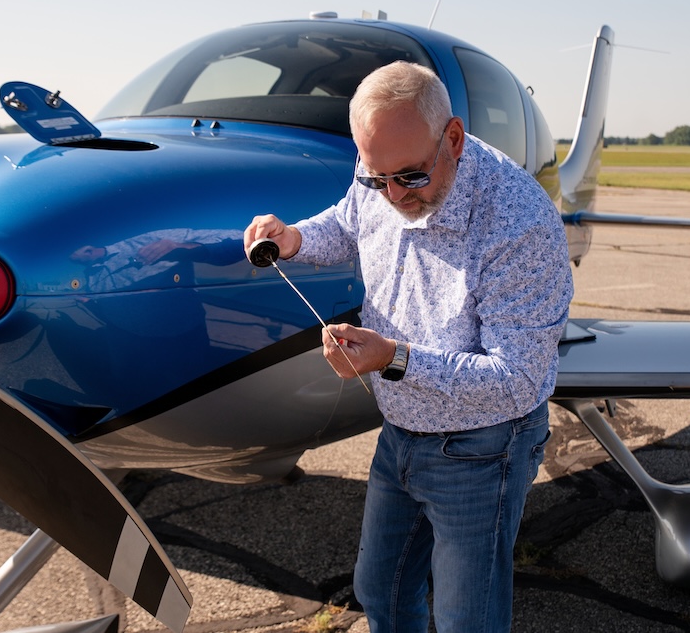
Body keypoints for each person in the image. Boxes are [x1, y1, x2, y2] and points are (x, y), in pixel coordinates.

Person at [243, 61, 573, 632]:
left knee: (466, 618)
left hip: (482, 448)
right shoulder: (383, 168)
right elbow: (349, 221)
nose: (393, 195)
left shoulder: (518, 224)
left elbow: (516, 378)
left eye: (410, 177)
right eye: (377, 178)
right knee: (381, 590)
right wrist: (295, 239)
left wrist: (392, 358)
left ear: (453, 138)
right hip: (401, 432)